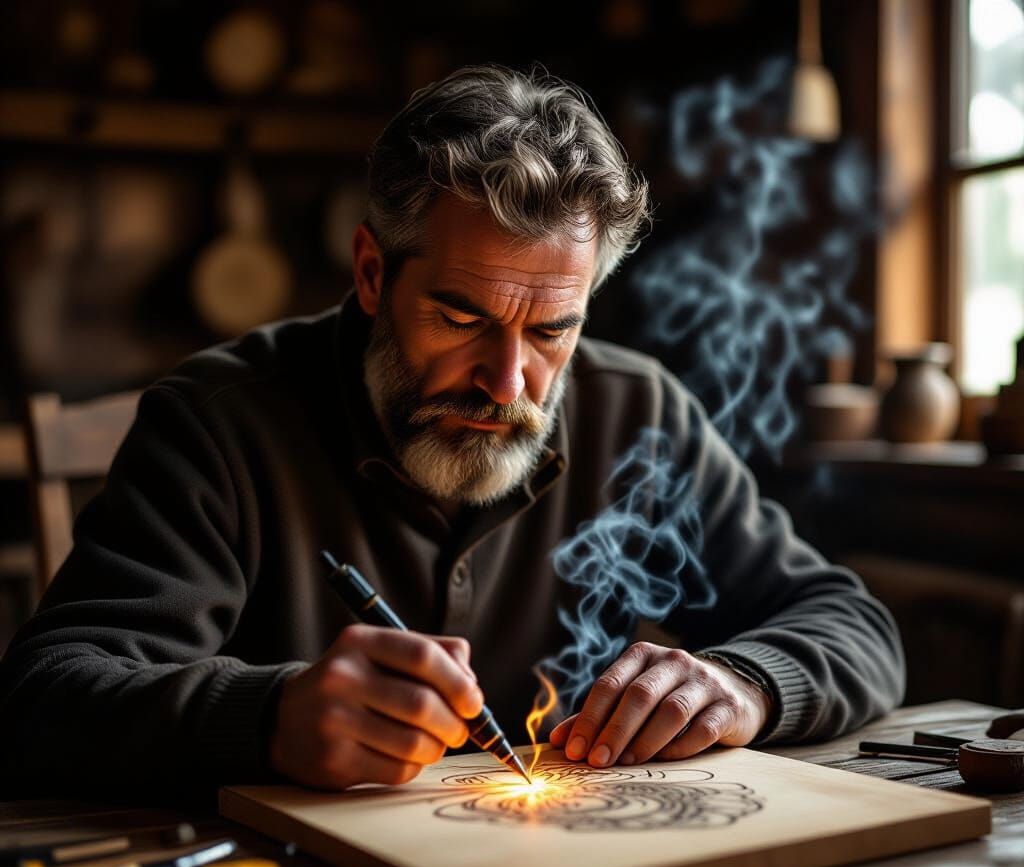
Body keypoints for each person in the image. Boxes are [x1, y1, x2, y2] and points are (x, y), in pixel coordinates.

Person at [0, 66, 903, 800]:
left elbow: (853, 625)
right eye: (461, 316)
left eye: (553, 330)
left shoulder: (645, 416)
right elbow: (43, 697)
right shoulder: (217, 422)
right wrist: (270, 715)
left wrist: (746, 685)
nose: (509, 382)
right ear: (369, 273)